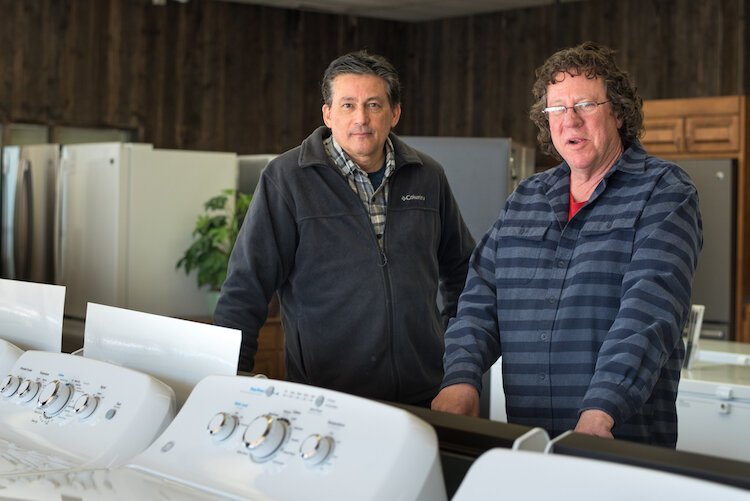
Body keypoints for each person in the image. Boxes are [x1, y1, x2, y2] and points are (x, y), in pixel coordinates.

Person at [431, 41, 702, 447]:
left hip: (615, 441)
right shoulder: (527, 199)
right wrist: (461, 378)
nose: (569, 121)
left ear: (618, 112)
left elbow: (649, 313)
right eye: (557, 109)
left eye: (585, 106)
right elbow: (480, 297)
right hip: (530, 443)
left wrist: (602, 410)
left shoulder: (663, 193)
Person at [214, 50, 475, 406]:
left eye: (374, 105)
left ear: (394, 113)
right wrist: (228, 382)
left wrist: (459, 367)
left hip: (424, 394)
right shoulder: (286, 179)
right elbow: (245, 288)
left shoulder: (428, 176)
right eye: (348, 105)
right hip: (326, 398)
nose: (361, 119)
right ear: (328, 113)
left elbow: (464, 275)